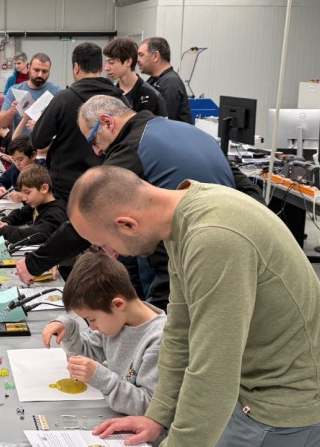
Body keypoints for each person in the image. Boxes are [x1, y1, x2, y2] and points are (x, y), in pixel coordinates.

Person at [70, 166, 320, 447]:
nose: (111, 255)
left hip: (280, 408)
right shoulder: (183, 217)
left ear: (127, 224)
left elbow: (213, 374)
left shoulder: (213, 239)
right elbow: (180, 331)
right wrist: (158, 414)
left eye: (105, 244)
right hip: (254, 394)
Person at [16, 95, 235, 308]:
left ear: (107, 122)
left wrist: (35, 263)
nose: (96, 151)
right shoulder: (192, 133)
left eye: (93, 141)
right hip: (227, 249)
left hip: (176, 261)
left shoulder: (133, 147)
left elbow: (89, 216)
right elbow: (242, 186)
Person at [41, 250, 166, 416]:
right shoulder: (118, 321)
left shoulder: (159, 340)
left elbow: (149, 406)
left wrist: (102, 379)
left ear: (118, 304)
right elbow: (88, 356)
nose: (92, 327)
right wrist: (68, 330)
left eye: (92, 319)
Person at [25, 42, 126, 200]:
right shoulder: (120, 100)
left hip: (66, 189)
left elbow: (38, 140)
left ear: (76, 67)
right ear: (101, 67)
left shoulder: (64, 98)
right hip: (107, 187)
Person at [0, 164, 66, 245]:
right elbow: (22, 213)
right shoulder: (40, 203)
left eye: (27, 192)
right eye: (22, 193)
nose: (24, 198)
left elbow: (36, 234)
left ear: (44, 188)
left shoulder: (56, 213)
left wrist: (1, 232)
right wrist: (6, 222)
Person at [103, 37, 167, 117]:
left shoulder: (151, 96)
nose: (106, 68)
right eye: (106, 62)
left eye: (111, 62)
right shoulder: (110, 94)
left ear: (128, 62)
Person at [0, 53, 62, 131]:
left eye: (44, 71)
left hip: (46, 139)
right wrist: (11, 111)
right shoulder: (14, 91)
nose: (40, 75)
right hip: (20, 139)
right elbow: (1, 123)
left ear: (49, 72)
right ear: (29, 68)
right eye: (36, 70)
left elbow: (64, 122)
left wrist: (43, 126)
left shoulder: (57, 91)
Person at [136, 36, 192, 124]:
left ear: (156, 56)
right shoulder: (154, 81)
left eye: (141, 55)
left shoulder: (170, 83)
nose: (137, 60)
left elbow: (164, 121)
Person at [0, 136, 35, 202]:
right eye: (14, 160)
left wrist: (24, 196)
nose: (17, 164)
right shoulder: (15, 168)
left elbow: (46, 197)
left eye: (20, 159)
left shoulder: (43, 171)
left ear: (33, 155)